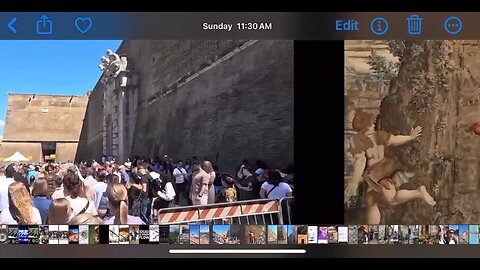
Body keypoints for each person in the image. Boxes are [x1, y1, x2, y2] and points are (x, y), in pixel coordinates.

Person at [344, 109, 436, 224]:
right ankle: (373, 231)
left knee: (391, 199)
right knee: (371, 201)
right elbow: (396, 140)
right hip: (386, 166)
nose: (373, 125)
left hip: (375, 173)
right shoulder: (380, 135)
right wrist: (410, 137)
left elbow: (360, 161)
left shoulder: (358, 139)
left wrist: (355, 180)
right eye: (372, 123)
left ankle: (418, 192)